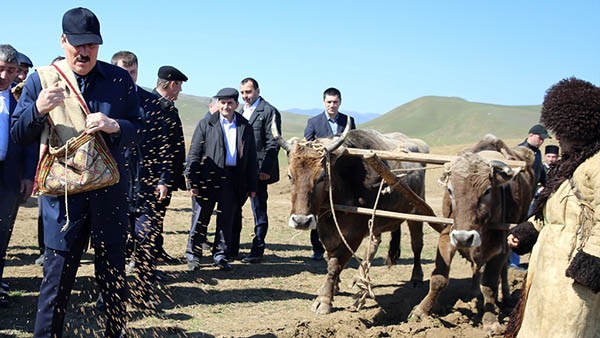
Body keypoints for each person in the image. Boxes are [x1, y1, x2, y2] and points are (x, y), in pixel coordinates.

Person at [11, 7, 142, 337]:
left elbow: (140, 128)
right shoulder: (41, 80)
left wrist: (116, 126)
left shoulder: (118, 79)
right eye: (78, 44)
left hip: (109, 196)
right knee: (55, 287)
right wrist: (38, 110)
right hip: (63, 203)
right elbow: (18, 135)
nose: (84, 52)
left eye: (92, 45)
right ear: (63, 40)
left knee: (113, 283)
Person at [506, 77, 600, 338]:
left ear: (579, 127)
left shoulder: (596, 165)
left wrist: (593, 262)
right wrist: (529, 230)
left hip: (576, 276)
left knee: (571, 328)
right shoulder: (569, 165)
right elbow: (554, 212)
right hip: (548, 270)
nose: (558, 137)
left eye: (563, 131)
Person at [111, 50, 168, 309]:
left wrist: (163, 179)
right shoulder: (106, 103)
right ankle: (110, 294)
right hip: (113, 184)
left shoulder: (152, 103)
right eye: (123, 72)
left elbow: (163, 146)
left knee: (145, 241)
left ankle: (145, 292)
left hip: (145, 185)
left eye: (132, 72)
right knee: (115, 244)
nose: (129, 77)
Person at [185, 88, 257, 271]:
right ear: (218, 104)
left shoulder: (245, 126)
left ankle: (220, 255)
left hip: (233, 179)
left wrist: (252, 184)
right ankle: (193, 255)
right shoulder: (206, 123)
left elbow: (251, 159)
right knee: (200, 218)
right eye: (222, 102)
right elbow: (194, 153)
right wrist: (192, 181)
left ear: (236, 104)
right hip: (207, 178)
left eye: (230, 103)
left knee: (226, 220)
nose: (226, 106)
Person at [0, 44, 37, 308]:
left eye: (11, 70)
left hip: (9, 178)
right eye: (0, 69)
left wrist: (27, 176)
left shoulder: (19, 103)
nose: (4, 75)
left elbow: (28, 141)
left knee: (2, 232)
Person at [303, 87, 356, 260]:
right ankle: (317, 248)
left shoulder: (348, 121)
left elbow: (354, 145)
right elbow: (307, 147)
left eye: (335, 102)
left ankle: (341, 244)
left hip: (343, 175)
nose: (332, 105)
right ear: (323, 102)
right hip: (321, 175)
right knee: (317, 208)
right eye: (329, 102)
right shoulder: (314, 122)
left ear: (340, 102)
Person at [237, 77, 282, 264]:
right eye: (242, 93)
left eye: (248, 92)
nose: (245, 96)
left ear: (257, 91)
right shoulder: (240, 110)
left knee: (259, 211)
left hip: (258, 172)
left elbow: (273, 143)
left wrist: (266, 170)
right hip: (240, 170)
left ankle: (257, 249)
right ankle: (232, 247)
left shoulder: (269, 111)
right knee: (234, 208)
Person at [152, 65, 188, 264]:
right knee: (151, 217)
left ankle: (156, 250)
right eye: (179, 85)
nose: (181, 90)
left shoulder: (166, 106)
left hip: (167, 174)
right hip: (156, 176)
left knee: (159, 215)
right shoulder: (153, 105)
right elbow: (159, 147)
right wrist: (162, 179)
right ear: (172, 84)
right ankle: (142, 256)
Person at [509, 124, 551, 268]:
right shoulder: (518, 152)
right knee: (514, 229)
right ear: (531, 135)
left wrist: (549, 186)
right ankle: (511, 262)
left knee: (528, 228)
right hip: (516, 200)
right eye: (540, 138)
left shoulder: (537, 153)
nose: (541, 142)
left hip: (531, 200)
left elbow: (541, 174)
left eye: (543, 140)